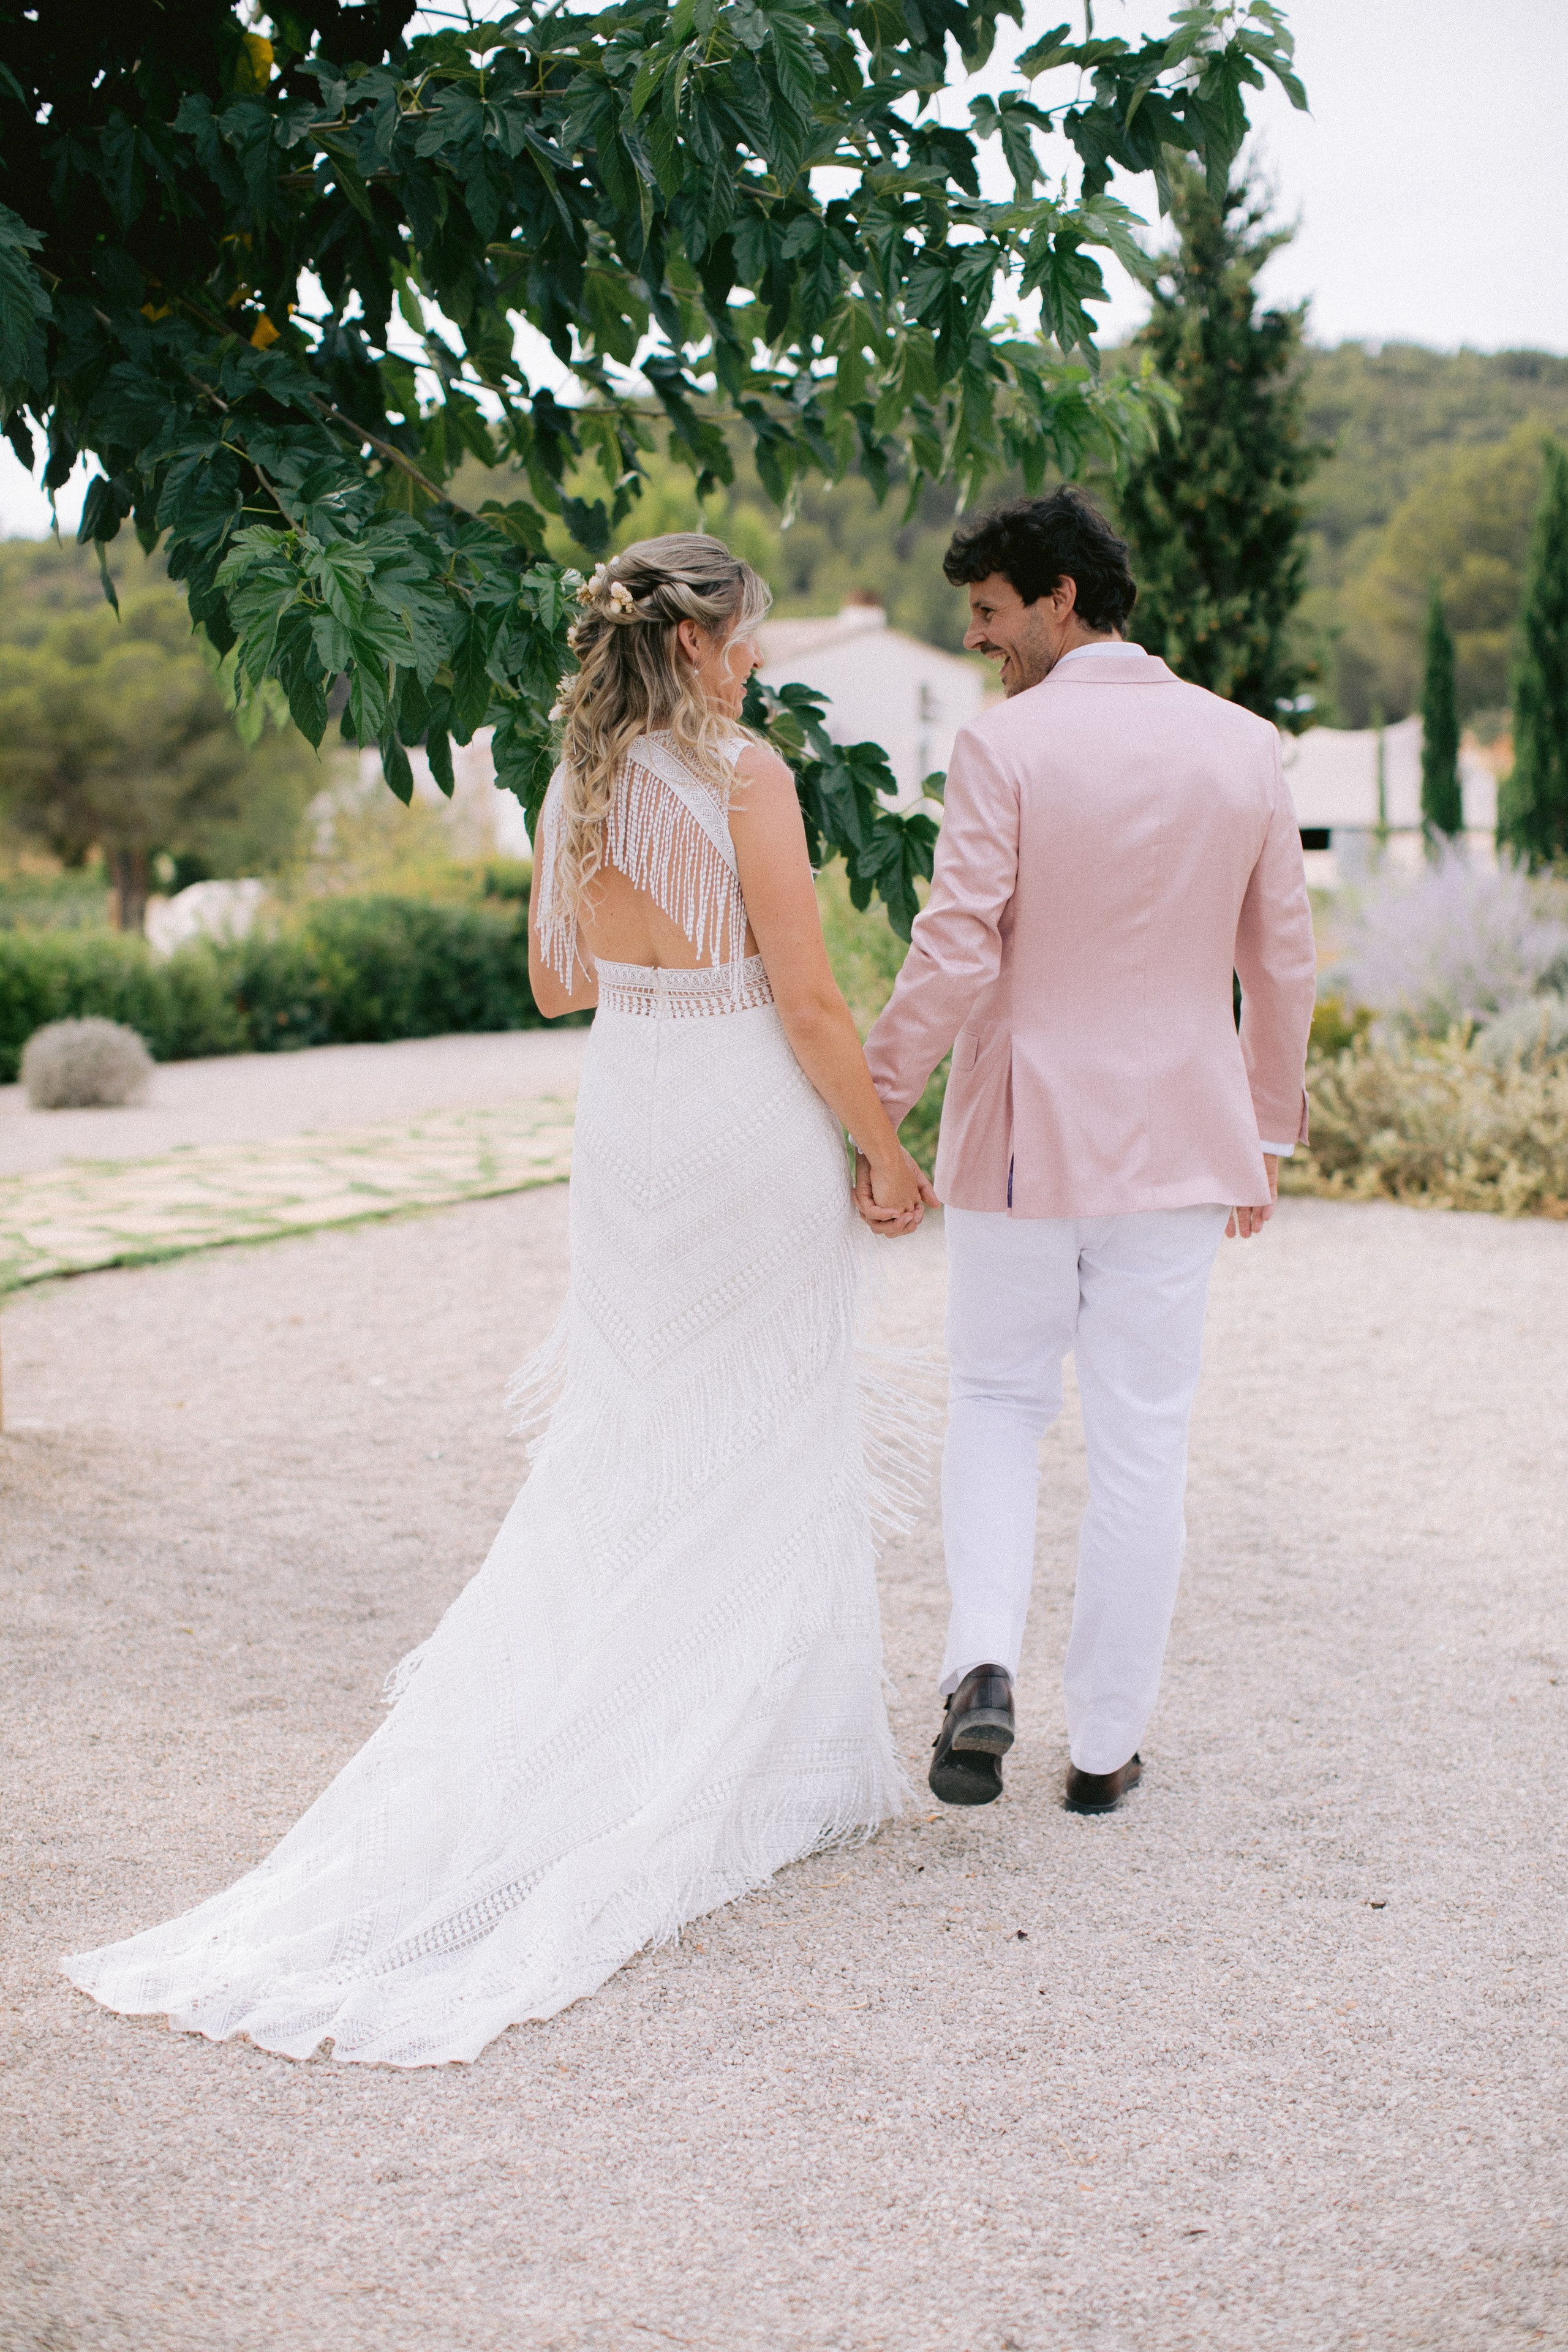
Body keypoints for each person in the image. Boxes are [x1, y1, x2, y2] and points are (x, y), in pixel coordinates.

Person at [63, 533, 934, 2068]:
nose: (755, 661)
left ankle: (646, 1728)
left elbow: (554, 984)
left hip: (631, 1115)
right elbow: (804, 999)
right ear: (687, 644)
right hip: (735, 1107)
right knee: (766, 1414)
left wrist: (646, 938)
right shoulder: (744, 777)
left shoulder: (577, 785)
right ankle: (765, 1765)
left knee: (637, 1426)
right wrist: (885, 1149)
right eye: (743, 639)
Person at [856, 490, 1316, 1815]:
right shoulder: (1242, 748)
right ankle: (1105, 1750)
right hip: (1181, 1145)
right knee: (1141, 1444)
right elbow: (1277, 960)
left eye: (992, 614)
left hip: (1020, 1137)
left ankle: (982, 1669)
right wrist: (1263, 1133)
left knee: (997, 1403)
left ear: (1059, 597)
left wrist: (876, 1106)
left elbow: (952, 951)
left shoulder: (1003, 750)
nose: (983, 642)